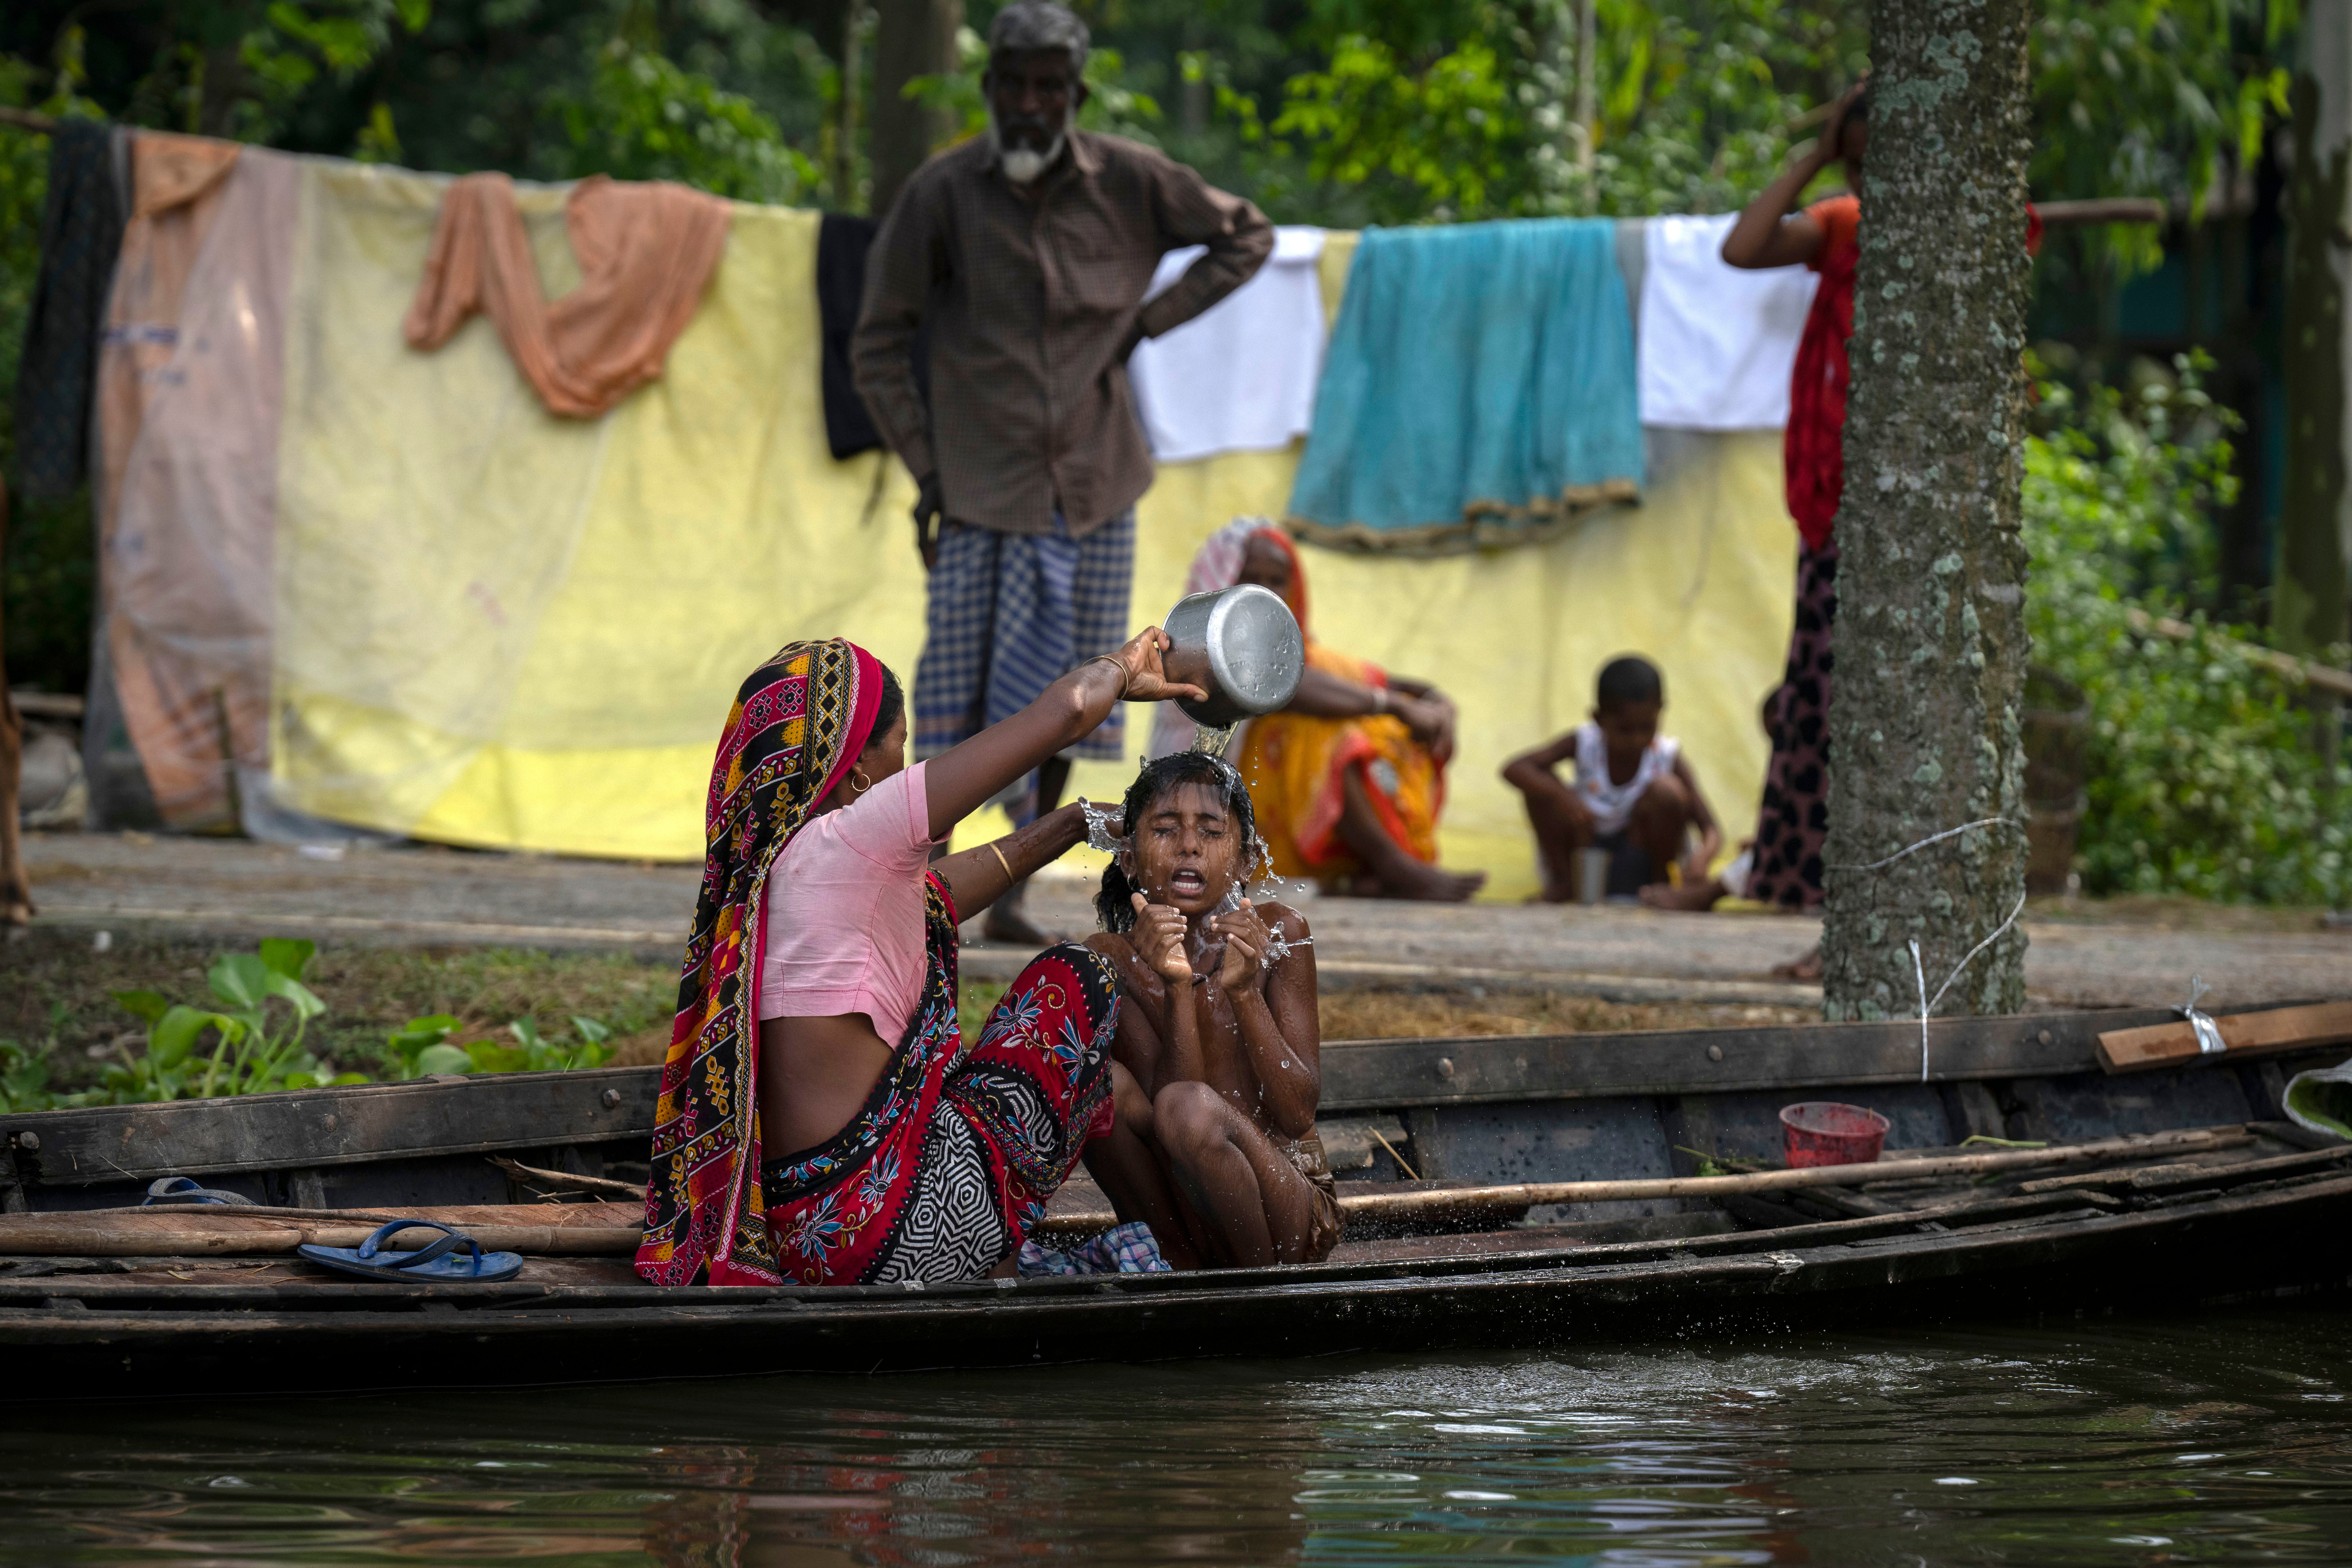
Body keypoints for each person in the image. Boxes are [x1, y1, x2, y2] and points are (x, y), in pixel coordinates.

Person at [851, 0, 1274, 948]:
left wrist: (1146, 324)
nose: (1031, 103)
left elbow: (1245, 236)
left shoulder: (1130, 180)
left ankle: (1010, 889)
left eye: (1050, 86)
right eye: (1014, 84)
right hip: (978, 486)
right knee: (957, 692)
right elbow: (877, 341)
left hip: (1093, 480)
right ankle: (928, 882)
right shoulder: (944, 193)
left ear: (1075, 94)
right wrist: (926, 469)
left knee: (1082, 686)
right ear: (990, 90)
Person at [635, 628, 1207, 1288]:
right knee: (1079, 974)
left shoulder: (775, 873)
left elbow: (934, 896)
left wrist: (1075, 822)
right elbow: (1069, 711)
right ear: (856, 770)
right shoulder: (853, 840)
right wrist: (1122, 666)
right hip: (890, 1238)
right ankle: (1127, 1257)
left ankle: (1047, 1248)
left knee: (1074, 1070)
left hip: (807, 1238)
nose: (906, 765)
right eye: (899, 743)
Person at [1079, 752, 1337, 1268]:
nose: (1190, 846)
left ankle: (1257, 1292)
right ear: (1129, 859)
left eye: (1212, 832)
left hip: (1287, 1207)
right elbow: (1165, 1114)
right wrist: (1176, 986)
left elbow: (1297, 1112)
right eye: (1166, 829)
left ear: (1245, 861)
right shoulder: (1112, 957)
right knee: (1093, 1080)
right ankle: (1181, 1264)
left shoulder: (1280, 932)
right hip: (1181, 1200)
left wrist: (1243, 994)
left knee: (1192, 1111)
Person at [1155, 518, 1485, 901]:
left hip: (1285, 802)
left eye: (1276, 579)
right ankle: (1393, 865)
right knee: (1315, 730)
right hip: (1225, 805)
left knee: (1386, 730)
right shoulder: (1201, 650)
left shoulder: (1309, 656)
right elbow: (1290, 688)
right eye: (1250, 577)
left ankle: (1363, 868)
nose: (1264, 590)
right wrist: (1392, 705)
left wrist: (1440, 706)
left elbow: (1400, 687)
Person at [1501, 655, 1722, 904]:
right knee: (1540, 786)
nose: (1638, 740)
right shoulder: (1585, 742)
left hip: (1638, 855)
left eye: (1647, 727)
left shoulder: (1665, 754)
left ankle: (1660, 886)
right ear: (1597, 719)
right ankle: (1563, 884)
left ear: (1661, 711)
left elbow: (1711, 829)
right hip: (1585, 853)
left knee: (1668, 791)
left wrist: (1702, 860)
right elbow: (1514, 768)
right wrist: (1563, 797)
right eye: (1625, 730)